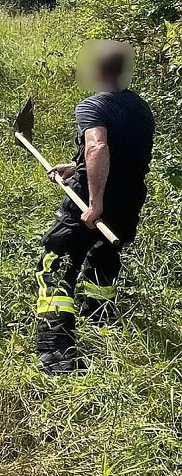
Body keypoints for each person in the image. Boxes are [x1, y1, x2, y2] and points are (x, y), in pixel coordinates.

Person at [36, 41, 155, 375]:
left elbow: (99, 146)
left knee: (55, 257)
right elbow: (123, 154)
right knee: (104, 253)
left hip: (96, 198)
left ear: (99, 70)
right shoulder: (139, 107)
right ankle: (99, 317)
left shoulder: (93, 105)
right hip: (130, 197)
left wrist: (94, 202)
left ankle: (56, 351)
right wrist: (74, 167)